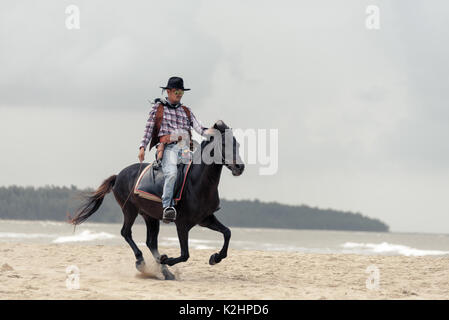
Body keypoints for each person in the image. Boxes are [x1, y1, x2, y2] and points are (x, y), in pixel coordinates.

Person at [138, 76, 210, 223]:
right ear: (169, 91)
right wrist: (142, 147)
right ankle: (167, 207)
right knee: (171, 174)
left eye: (181, 93)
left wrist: (215, 132)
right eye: (177, 92)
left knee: (201, 171)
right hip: (168, 148)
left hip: (186, 148)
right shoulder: (158, 109)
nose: (179, 95)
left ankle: (201, 205)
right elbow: (148, 129)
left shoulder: (186, 110)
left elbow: (200, 129)